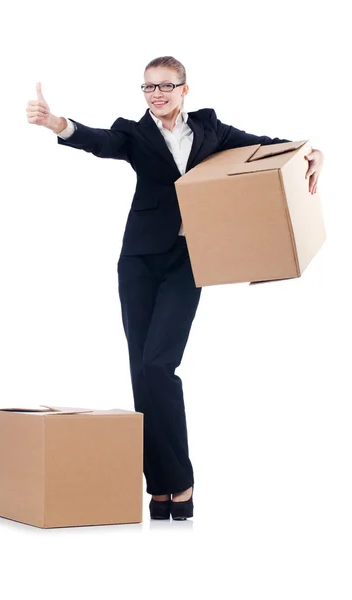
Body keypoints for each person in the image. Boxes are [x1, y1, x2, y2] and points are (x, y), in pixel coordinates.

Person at [26, 55, 324, 521]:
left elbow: (264, 148)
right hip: (140, 261)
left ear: (185, 89)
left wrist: (311, 152)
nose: (157, 95)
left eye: (166, 86)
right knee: (141, 371)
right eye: (148, 88)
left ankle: (180, 481)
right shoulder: (134, 132)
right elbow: (99, 142)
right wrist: (57, 124)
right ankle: (160, 487)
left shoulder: (210, 129)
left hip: (189, 260)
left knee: (159, 363)